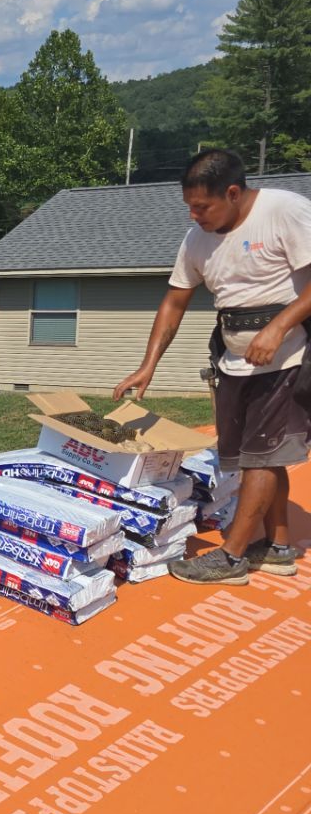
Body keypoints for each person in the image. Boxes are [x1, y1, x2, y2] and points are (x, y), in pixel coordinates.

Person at [114, 148, 311, 583]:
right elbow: (175, 300)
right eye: (189, 206)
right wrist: (148, 365)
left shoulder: (285, 211)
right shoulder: (197, 240)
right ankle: (278, 546)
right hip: (233, 360)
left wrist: (278, 328)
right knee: (255, 456)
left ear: (234, 193)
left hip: (289, 356)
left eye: (202, 206)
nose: (194, 216)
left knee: (261, 457)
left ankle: (232, 556)